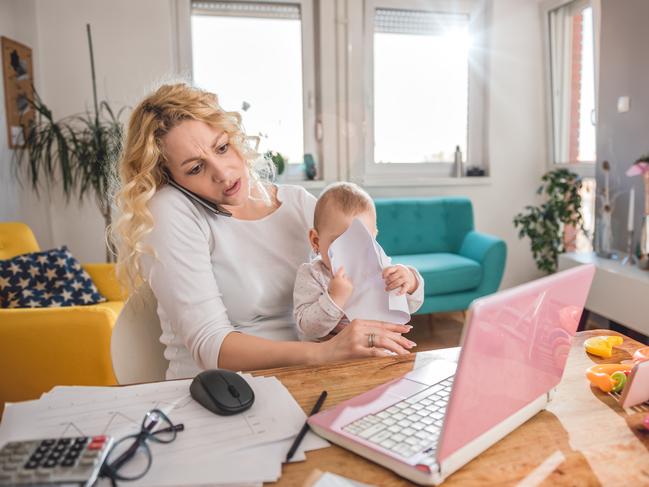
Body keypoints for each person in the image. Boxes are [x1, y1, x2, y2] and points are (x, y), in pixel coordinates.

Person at [113, 83, 415, 379]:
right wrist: (326, 353)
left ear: (234, 138)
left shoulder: (297, 203)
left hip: (310, 379)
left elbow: (373, 279)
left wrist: (405, 284)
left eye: (222, 147)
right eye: (195, 168)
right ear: (172, 179)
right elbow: (211, 345)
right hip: (223, 392)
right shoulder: (172, 209)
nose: (222, 172)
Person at [293, 182, 424, 341]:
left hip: (381, 349)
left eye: (362, 241)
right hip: (332, 356)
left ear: (374, 237)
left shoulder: (380, 268)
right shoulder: (312, 274)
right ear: (316, 241)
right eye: (339, 242)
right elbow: (308, 328)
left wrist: (410, 282)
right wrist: (335, 298)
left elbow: (411, 305)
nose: (351, 251)